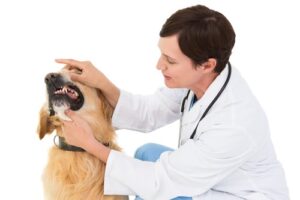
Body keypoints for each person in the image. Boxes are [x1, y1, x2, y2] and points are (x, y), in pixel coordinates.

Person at [55, 4, 289, 200]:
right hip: (211, 178)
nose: (159, 65)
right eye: (161, 54)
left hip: (240, 195)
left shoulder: (234, 123)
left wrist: (90, 144)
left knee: (157, 186)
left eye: (170, 60)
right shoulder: (204, 77)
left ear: (207, 64)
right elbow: (150, 112)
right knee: (147, 153)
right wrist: (103, 83)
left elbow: (160, 182)